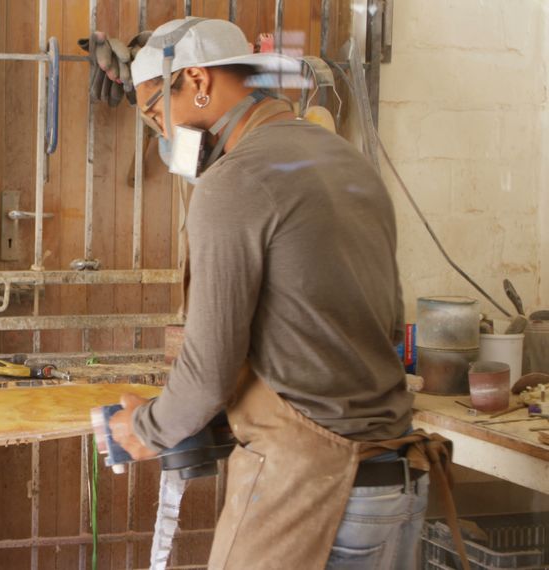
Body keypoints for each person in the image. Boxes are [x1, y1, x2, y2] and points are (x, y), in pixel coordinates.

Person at [106, 17, 429, 569]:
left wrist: (145, 430)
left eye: (157, 111)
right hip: (394, 480)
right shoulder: (347, 161)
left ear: (198, 81)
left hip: (314, 492)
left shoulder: (234, 180)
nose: (161, 134)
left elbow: (208, 371)